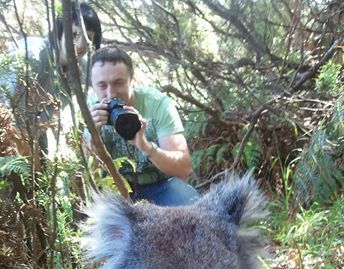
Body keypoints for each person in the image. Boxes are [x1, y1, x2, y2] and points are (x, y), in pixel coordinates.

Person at [88, 44, 199, 206]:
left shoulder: (157, 105)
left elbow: (184, 169)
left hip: (161, 186)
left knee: (192, 207)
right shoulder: (90, 111)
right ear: (92, 86)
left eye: (118, 83)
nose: (111, 94)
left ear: (132, 81)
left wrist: (145, 146)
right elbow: (89, 175)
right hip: (114, 192)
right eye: (102, 85)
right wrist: (93, 135)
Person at [0, 2, 102, 134]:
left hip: (32, 137)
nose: (80, 44)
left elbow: (104, 81)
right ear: (61, 30)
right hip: (9, 133)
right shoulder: (34, 55)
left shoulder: (81, 66)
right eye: (74, 33)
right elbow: (5, 102)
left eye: (88, 38)